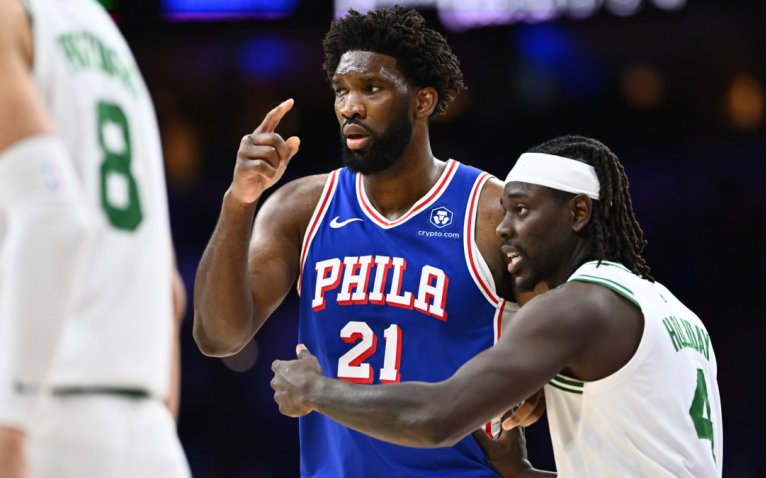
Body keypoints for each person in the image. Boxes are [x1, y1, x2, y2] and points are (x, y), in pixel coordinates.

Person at [192, 5, 538, 477]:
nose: (349, 107)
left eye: (371, 89)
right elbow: (218, 336)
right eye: (341, 90)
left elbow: (559, 355)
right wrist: (238, 200)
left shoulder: (490, 210)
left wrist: (536, 388)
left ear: (423, 101)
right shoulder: (301, 207)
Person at [270, 135, 724, 477]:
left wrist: (315, 391)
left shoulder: (576, 307)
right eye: (504, 211)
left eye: (522, 210)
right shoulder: (673, 310)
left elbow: (435, 418)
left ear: (578, 213)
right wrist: (520, 473)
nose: (504, 229)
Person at [0, 0, 191, 476]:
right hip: (150, 433)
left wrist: (11, 423)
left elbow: (51, 219)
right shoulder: (110, 43)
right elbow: (168, 292)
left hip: (41, 420)